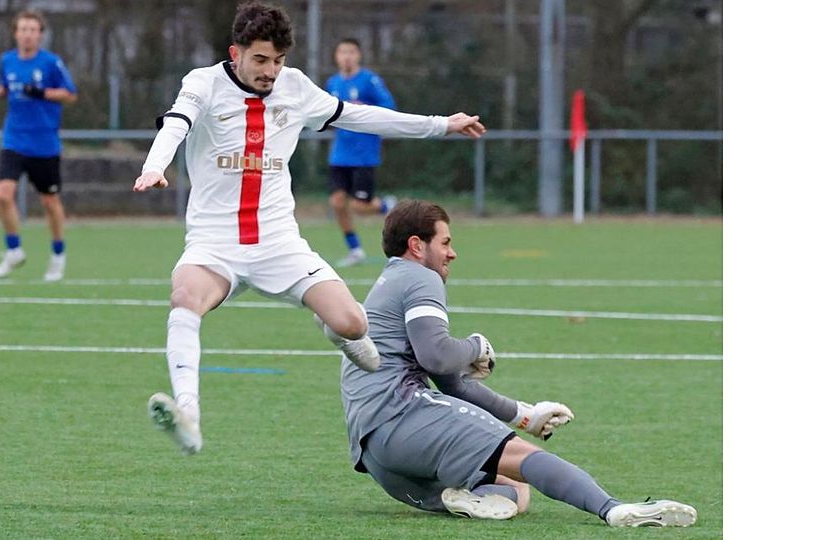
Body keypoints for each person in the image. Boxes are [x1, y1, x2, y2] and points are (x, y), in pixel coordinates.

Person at [133, 1, 486, 456]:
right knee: (184, 299)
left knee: (353, 323)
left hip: (280, 244)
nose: (270, 71)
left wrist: (440, 125)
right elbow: (178, 122)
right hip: (214, 244)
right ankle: (189, 416)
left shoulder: (295, 88)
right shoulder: (202, 83)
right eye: (260, 59)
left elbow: (361, 116)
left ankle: (336, 328)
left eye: (278, 61)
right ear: (235, 52)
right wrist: (154, 166)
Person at [340, 199, 698, 527]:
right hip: (400, 416)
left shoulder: (391, 281)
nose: (453, 253)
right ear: (417, 245)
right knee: (527, 458)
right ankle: (613, 509)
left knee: (514, 489)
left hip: (378, 456)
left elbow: (451, 383)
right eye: (445, 242)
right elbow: (437, 355)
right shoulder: (420, 276)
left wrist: (525, 415)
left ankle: (470, 498)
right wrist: (475, 346)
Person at [0, 10, 78, 282]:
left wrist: (42, 93)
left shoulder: (51, 63)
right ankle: (13, 249)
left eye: (32, 29)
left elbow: (70, 94)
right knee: (3, 194)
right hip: (14, 139)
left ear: (40, 34)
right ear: (15, 33)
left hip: (44, 143)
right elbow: (6, 84)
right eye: (22, 29)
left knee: (50, 202)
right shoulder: (7, 60)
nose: (27, 34)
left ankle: (58, 255)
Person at [325, 38, 398, 267]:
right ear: (336, 56)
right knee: (337, 202)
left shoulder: (369, 80)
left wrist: (363, 109)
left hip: (364, 153)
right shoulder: (333, 83)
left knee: (359, 206)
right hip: (340, 154)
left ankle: (387, 206)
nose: (346, 56)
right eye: (342, 51)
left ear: (358, 55)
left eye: (351, 52)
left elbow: (389, 106)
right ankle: (355, 250)